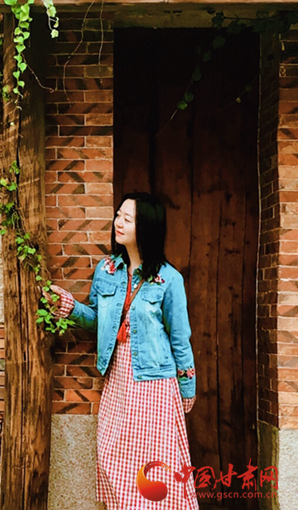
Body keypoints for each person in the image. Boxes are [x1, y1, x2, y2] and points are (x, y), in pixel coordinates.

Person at [47, 192, 199, 510]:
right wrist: (69, 306)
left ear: (146, 227)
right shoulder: (107, 270)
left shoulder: (169, 279)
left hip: (155, 383)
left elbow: (180, 338)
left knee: (155, 462)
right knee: (112, 455)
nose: (118, 222)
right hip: (117, 378)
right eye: (118, 215)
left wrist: (187, 387)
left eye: (127, 219)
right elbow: (97, 321)